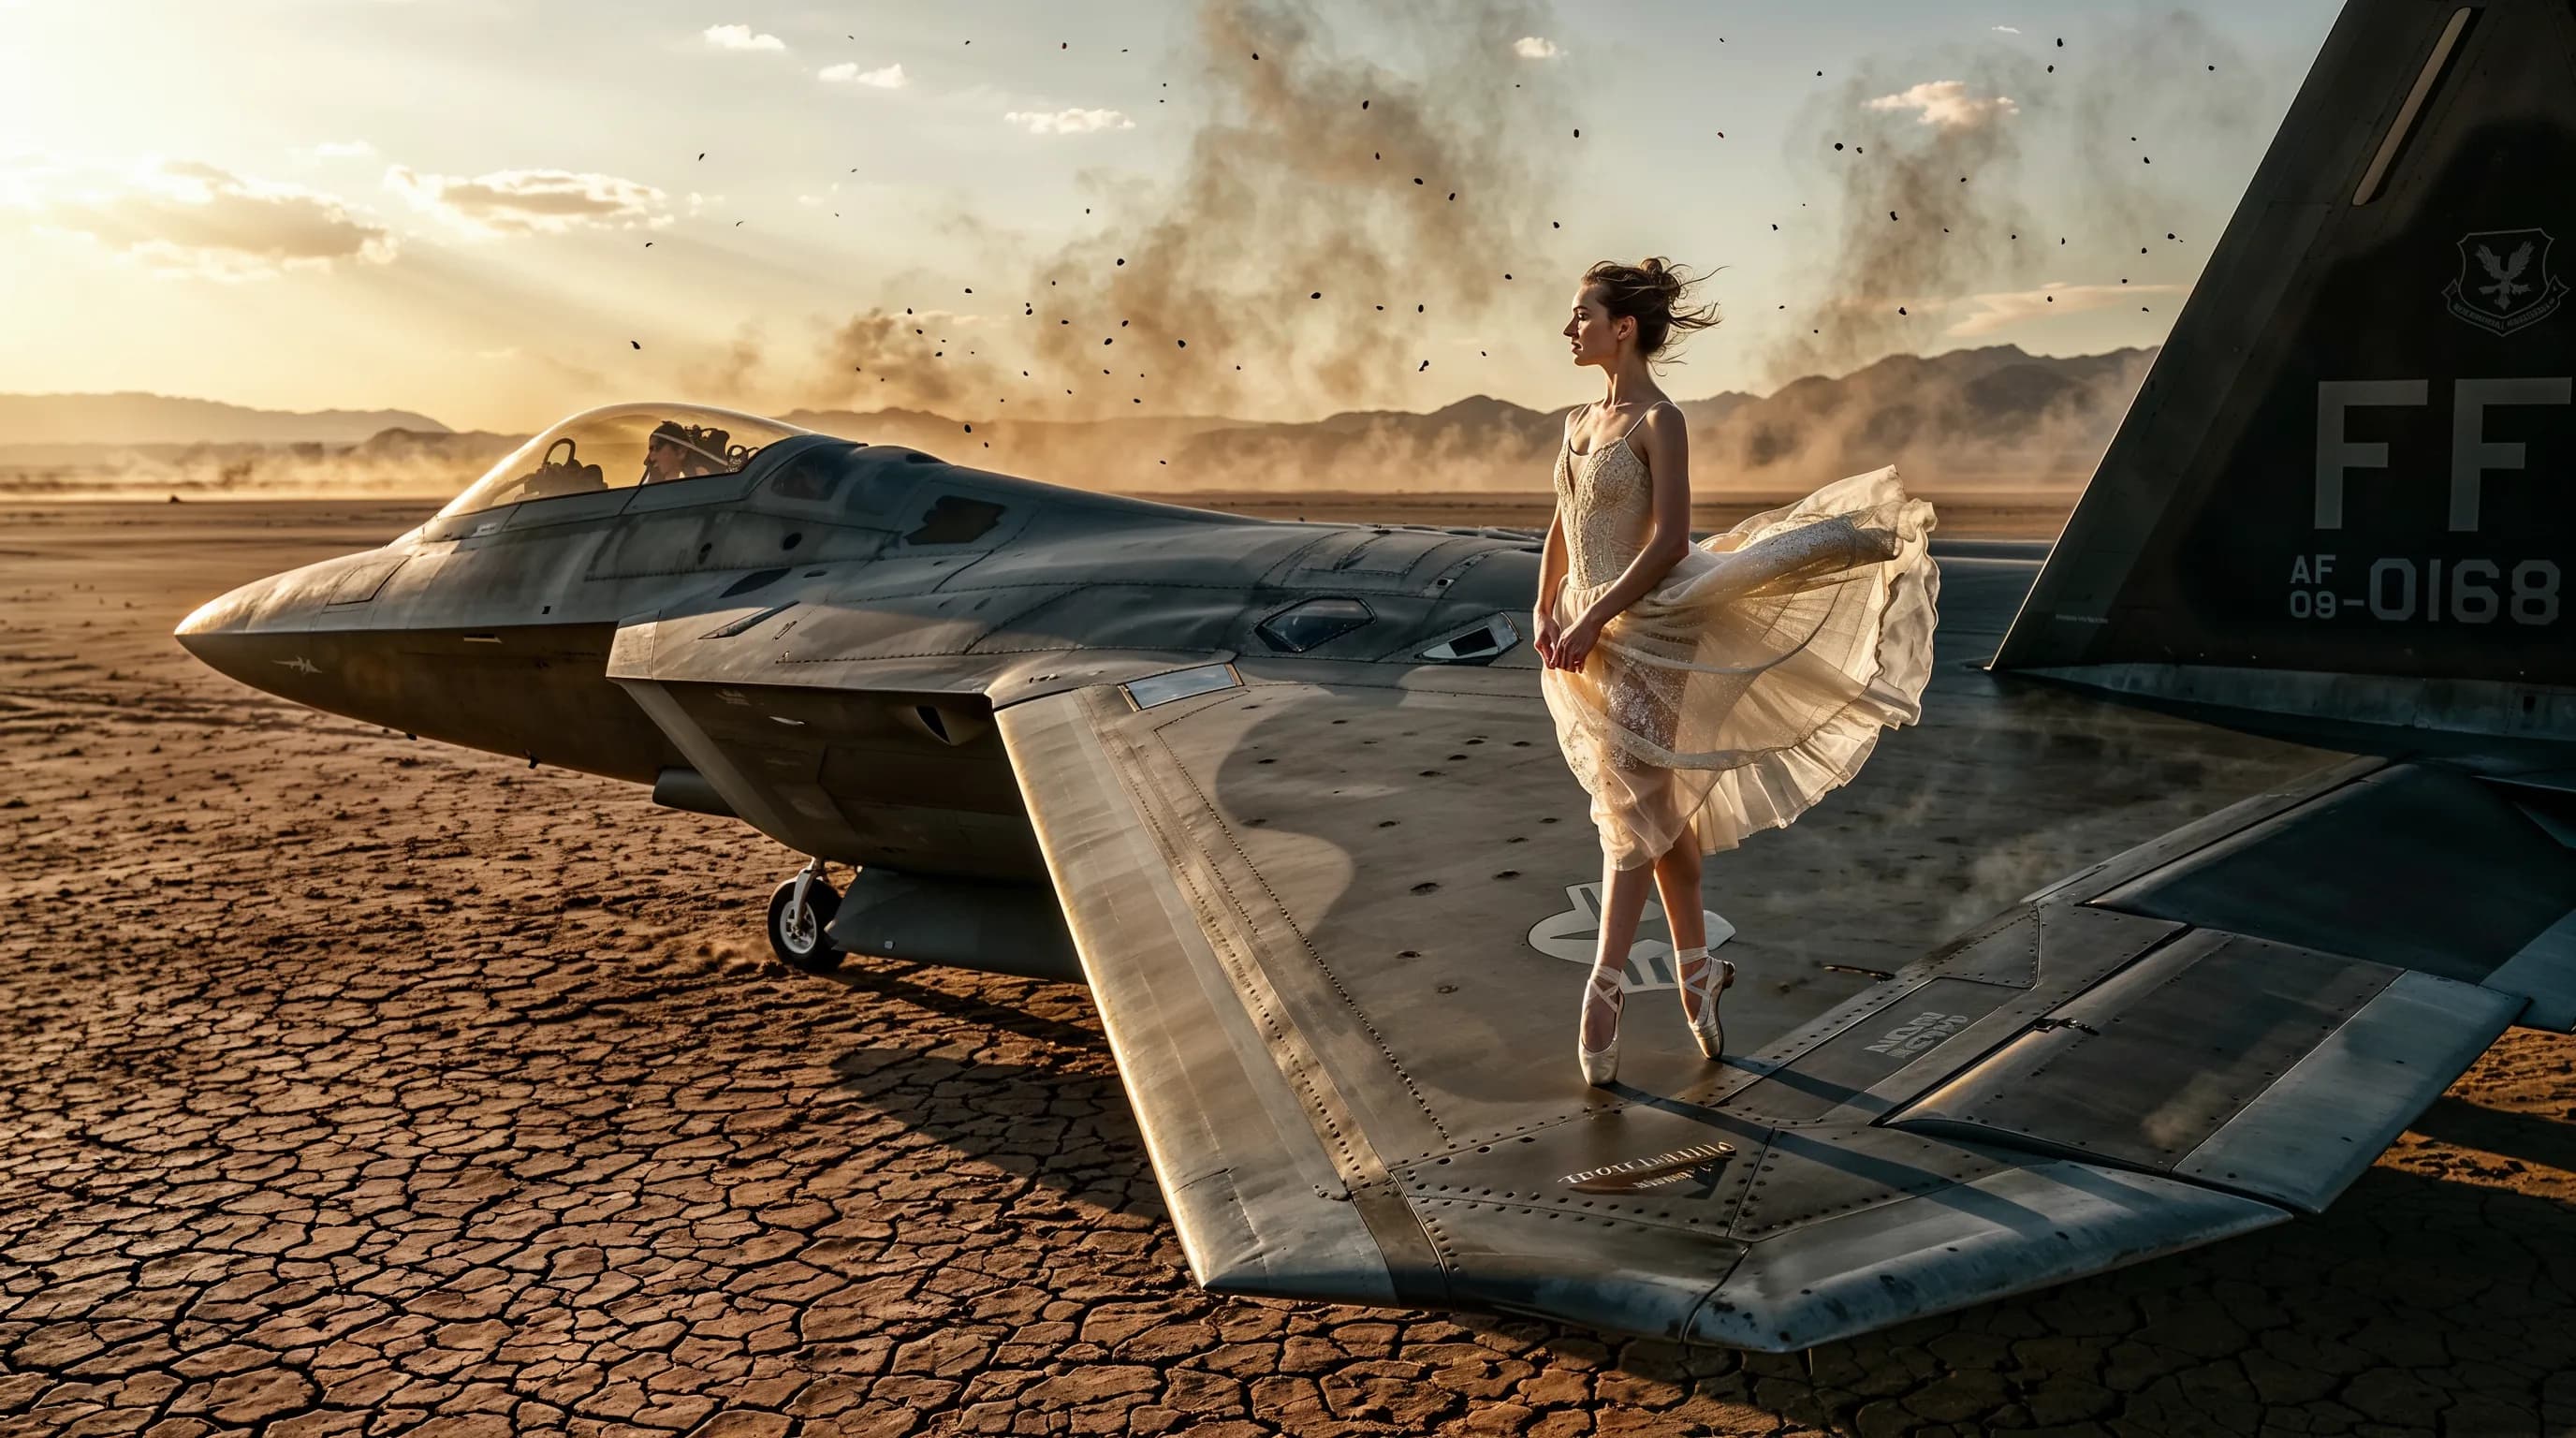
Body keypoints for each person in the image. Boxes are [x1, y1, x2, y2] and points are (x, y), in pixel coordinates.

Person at [1538, 257, 1939, 1087]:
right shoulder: (1579, 421)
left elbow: (1670, 541)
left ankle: (1604, 987)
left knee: (1631, 805)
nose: (1569, 328)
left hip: (1652, 625)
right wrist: (1546, 607)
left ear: (1624, 328)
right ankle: (1697, 976)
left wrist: (1590, 615)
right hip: (1582, 631)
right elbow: (1562, 522)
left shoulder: (1661, 420)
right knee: (1661, 810)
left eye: (1583, 315)